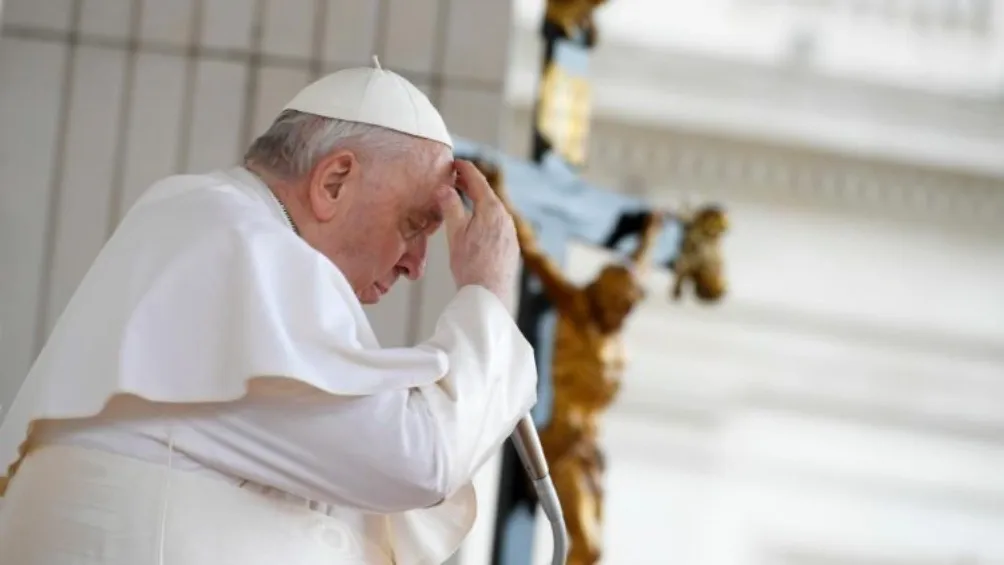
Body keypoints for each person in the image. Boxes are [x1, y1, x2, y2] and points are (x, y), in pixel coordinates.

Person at [0, 60, 539, 565]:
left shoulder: (214, 222)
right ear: (333, 182)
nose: (418, 265)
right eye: (415, 224)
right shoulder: (237, 236)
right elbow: (419, 462)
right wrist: (486, 294)